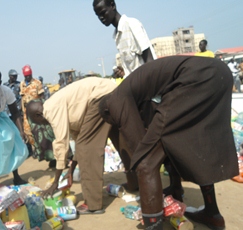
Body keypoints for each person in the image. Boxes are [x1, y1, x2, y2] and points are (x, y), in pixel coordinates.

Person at [98, 56, 238, 229]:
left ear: (108, 111)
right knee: (195, 144)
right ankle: (211, 213)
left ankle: (153, 225)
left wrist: (140, 162)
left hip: (194, 78)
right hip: (219, 73)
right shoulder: (138, 93)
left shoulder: (114, 101)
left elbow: (141, 151)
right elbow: (164, 135)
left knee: (146, 162)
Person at [26, 77, 119, 214]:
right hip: (109, 90)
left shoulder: (50, 110)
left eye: (37, 122)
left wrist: (55, 183)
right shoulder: (66, 110)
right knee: (118, 137)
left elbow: (61, 144)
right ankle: (134, 182)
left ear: (39, 115)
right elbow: (78, 140)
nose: (42, 125)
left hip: (101, 94)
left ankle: (92, 204)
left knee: (88, 149)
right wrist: (70, 171)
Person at [93, 0, 156, 79]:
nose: (101, 18)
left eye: (103, 13)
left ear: (112, 6)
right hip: (135, 87)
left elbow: (150, 62)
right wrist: (124, 73)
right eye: (98, 15)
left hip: (146, 85)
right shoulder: (116, 35)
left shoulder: (132, 25)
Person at [20, 65, 44, 149]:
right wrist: (22, 112)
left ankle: (41, 148)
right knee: (27, 131)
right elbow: (22, 98)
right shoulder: (22, 84)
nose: (27, 77)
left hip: (36, 111)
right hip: (26, 111)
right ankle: (35, 147)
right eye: (26, 76)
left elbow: (42, 97)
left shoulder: (37, 83)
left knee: (39, 129)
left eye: (29, 76)